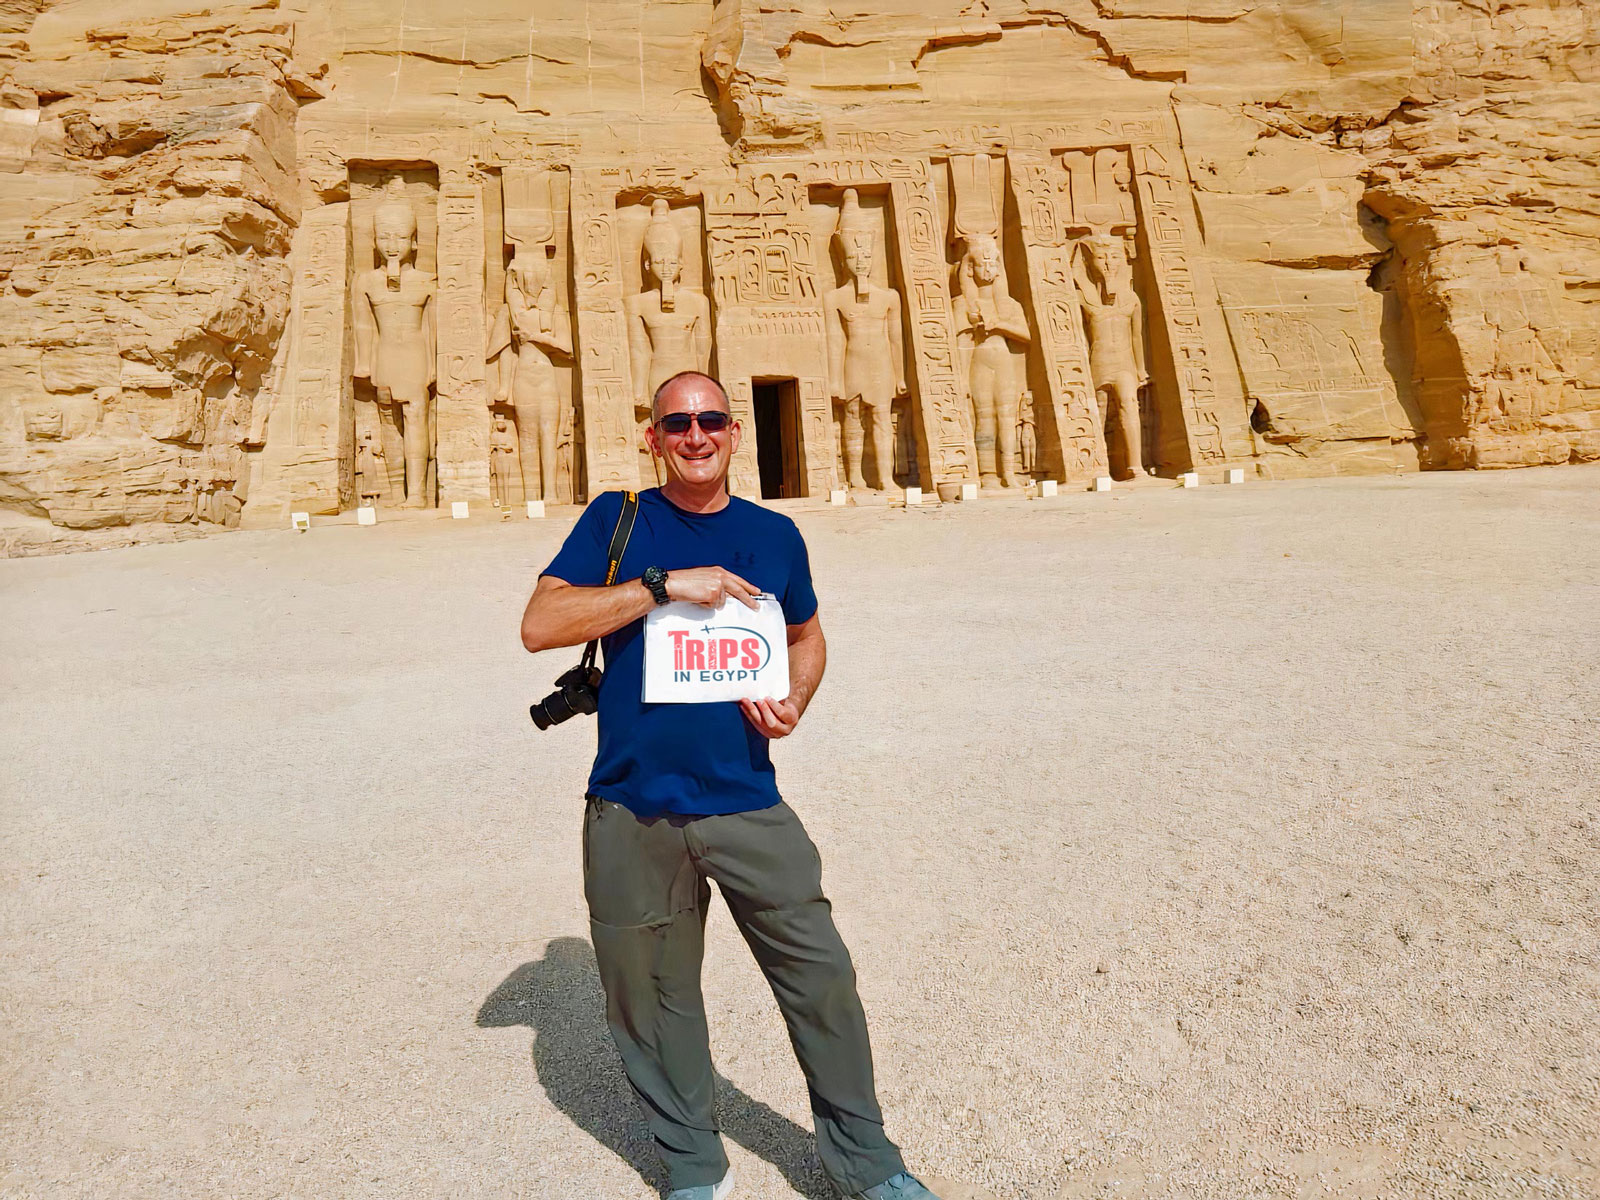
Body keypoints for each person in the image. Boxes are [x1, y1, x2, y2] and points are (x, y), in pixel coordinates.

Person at [519, 371, 943, 1200]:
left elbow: (807, 634)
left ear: (736, 433)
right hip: (633, 802)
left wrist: (798, 697)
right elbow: (540, 625)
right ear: (654, 438)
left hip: (746, 794)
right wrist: (658, 586)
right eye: (677, 424)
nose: (696, 435)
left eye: (711, 419)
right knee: (652, 995)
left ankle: (867, 1164)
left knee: (821, 981)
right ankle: (691, 1169)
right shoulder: (618, 520)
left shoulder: (775, 535)